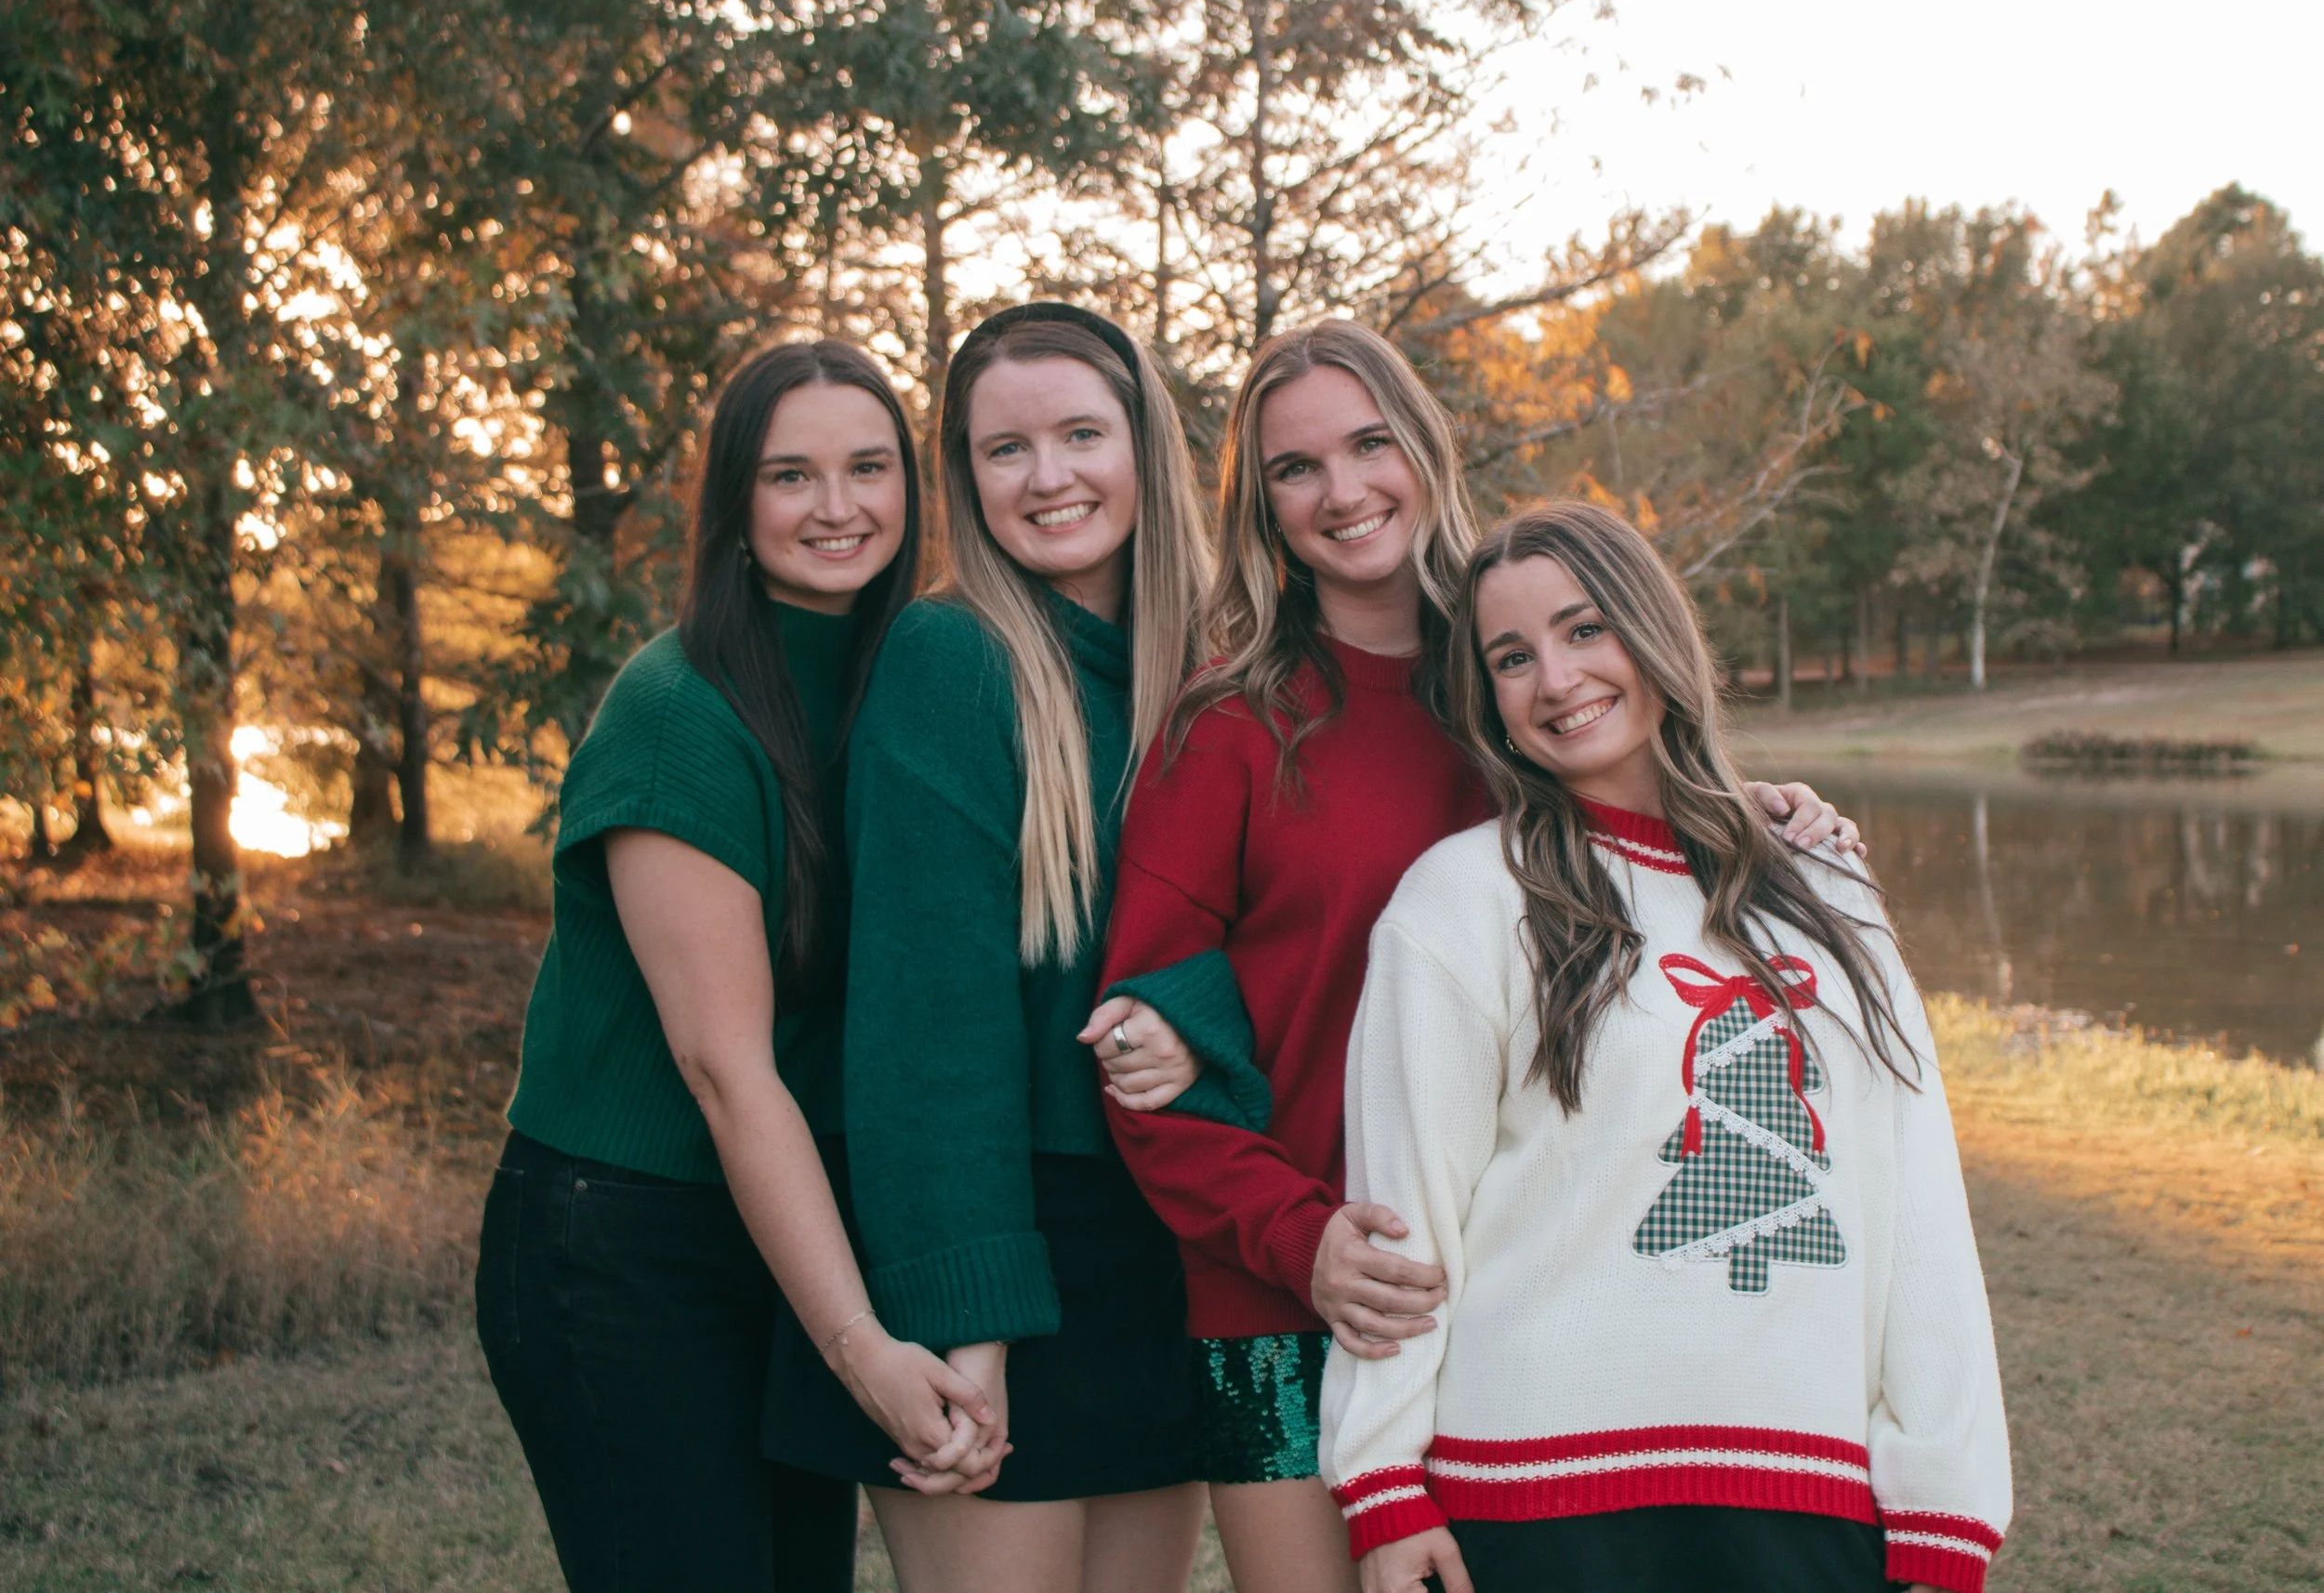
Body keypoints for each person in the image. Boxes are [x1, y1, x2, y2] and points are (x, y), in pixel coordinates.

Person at [1080, 322, 1865, 1593]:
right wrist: (1303, 1238)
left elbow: (1642, 828)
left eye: (1370, 444)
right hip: (1279, 1303)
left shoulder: (1522, 678)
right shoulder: (1225, 729)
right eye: (1296, 469)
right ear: (1262, 507)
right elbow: (1142, 1070)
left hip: (1521, 1287)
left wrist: (1756, 812)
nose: (1342, 492)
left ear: (1426, 448)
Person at [1324, 500, 2010, 1593]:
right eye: (1512, 656)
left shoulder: (1824, 884)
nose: (1555, 678)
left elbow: (1915, 1202)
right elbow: (1407, 1225)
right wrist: (1382, 1486)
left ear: (1654, 630)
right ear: (1487, 699)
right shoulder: (1456, 901)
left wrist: (1943, 1505)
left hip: (1806, 1492)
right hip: (1530, 1496)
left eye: (1584, 628)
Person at [477, 341, 1001, 1593]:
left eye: (870, 468)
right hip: (622, 1245)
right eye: (792, 476)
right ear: (735, 505)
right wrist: (858, 1344)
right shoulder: (679, 713)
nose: (838, 508)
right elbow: (726, 1073)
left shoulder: (905, 681)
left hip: (786, 1221)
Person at [761, 304, 1213, 1593]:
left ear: (1145, 447)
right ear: (964, 477)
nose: (1051, 476)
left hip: (1162, 1233)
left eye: (1081, 434)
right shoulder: (951, 658)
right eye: (1006, 450)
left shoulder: (1208, 666)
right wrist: (970, 1318)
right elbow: (925, 1028)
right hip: (992, 1230)